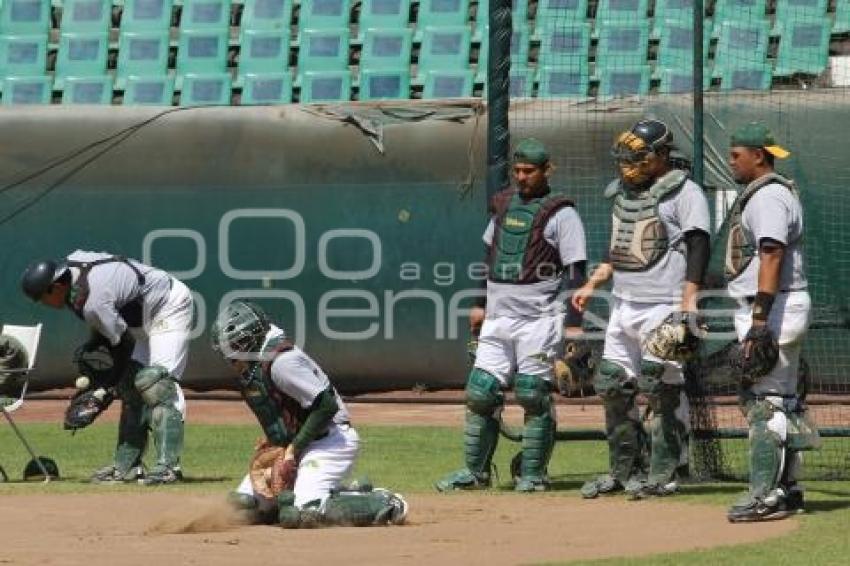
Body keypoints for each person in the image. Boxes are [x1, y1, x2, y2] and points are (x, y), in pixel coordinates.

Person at [435, 138, 588, 493]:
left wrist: (574, 328)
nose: (521, 177)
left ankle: (534, 474)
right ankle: (476, 472)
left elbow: (577, 272)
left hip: (539, 319)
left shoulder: (562, 213)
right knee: (480, 392)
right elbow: (489, 257)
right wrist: (479, 303)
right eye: (517, 171)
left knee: (533, 393)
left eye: (529, 171)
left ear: (547, 170)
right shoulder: (504, 205)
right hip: (499, 317)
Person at [571, 119, 711, 499]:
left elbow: (699, 244)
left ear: (662, 155)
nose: (629, 165)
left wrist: (689, 300)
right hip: (624, 303)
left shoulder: (685, 192)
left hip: (664, 304)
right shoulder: (623, 194)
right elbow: (619, 247)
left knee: (661, 389)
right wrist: (592, 283)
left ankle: (664, 475)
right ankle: (624, 472)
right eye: (626, 157)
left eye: (638, 157)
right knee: (612, 385)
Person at [211, 301, 408, 528]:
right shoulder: (257, 366)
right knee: (243, 507)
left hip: (331, 441)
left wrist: (292, 451)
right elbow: (285, 414)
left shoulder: (282, 363)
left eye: (236, 346)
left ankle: (385, 502)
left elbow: (326, 406)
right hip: (300, 444)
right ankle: (341, 492)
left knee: (306, 511)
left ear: (252, 340)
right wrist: (274, 445)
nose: (230, 357)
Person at [20, 251, 192, 485]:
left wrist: (105, 389)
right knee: (131, 387)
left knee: (157, 383)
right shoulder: (74, 272)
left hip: (168, 305)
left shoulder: (93, 301)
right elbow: (111, 321)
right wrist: (112, 377)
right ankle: (128, 466)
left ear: (56, 286)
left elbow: (123, 344)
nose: (43, 303)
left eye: (42, 297)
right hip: (140, 318)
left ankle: (169, 467)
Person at [723, 122, 811, 522]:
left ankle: (766, 497)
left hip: (773, 307)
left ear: (759, 156)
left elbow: (771, 255)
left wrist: (759, 318)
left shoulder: (768, 196)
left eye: (736, 154)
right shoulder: (775, 191)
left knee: (763, 403)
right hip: (782, 304)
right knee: (783, 400)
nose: (731, 162)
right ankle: (789, 489)